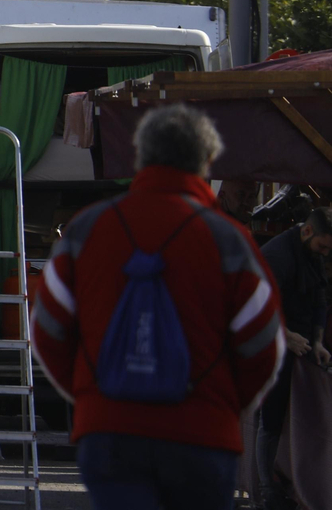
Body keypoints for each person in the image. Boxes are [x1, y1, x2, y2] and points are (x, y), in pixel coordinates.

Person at [31, 104, 285, 510]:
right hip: (202, 437)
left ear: (140, 157)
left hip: (110, 433)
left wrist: (91, 393)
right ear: (206, 161)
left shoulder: (86, 230)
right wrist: (222, 404)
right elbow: (265, 342)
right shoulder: (230, 240)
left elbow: (46, 329)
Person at [255, 207, 332, 510]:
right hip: (271, 344)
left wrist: (316, 339)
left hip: (300, 344)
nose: (324, 253)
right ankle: (266, 490)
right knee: (270, 421)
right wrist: (285, 335)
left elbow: (319, 298)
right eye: (322, 247)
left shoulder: (314, 253)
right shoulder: (278, 255)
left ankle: (299, 484)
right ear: (307, 231)